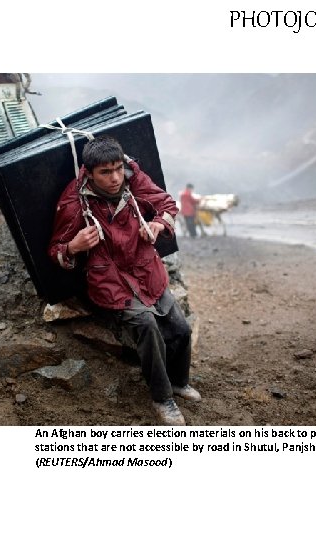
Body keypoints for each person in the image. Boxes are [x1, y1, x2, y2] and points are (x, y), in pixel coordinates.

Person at [48, 135, 201, 426]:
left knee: (180, 328)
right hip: (111, 282)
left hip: (145, 271)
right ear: (89, 172)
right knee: (147, 326)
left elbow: (167, 204)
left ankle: (180, 382)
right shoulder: (73, 202)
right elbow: (55, 250)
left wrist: (157, 224)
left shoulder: (134, 179)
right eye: (105, 172)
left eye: (118, 168)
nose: (115, 178)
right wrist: (74, 246)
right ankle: (162, 398)